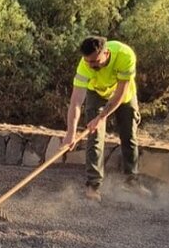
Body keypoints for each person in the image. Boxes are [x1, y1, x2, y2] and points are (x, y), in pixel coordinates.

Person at [63, 36, 150, 200]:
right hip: (96, 92)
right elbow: (76, 102)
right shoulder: (85, 65)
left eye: (95, 61)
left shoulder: (125, 55)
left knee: (129, 135)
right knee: (94, 136)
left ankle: (132, 181)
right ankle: (93, 185)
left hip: (123, 96)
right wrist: (71, 133)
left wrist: (102, 117)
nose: (91, 65)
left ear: (106, 53)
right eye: (88, 61)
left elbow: (120, 94)